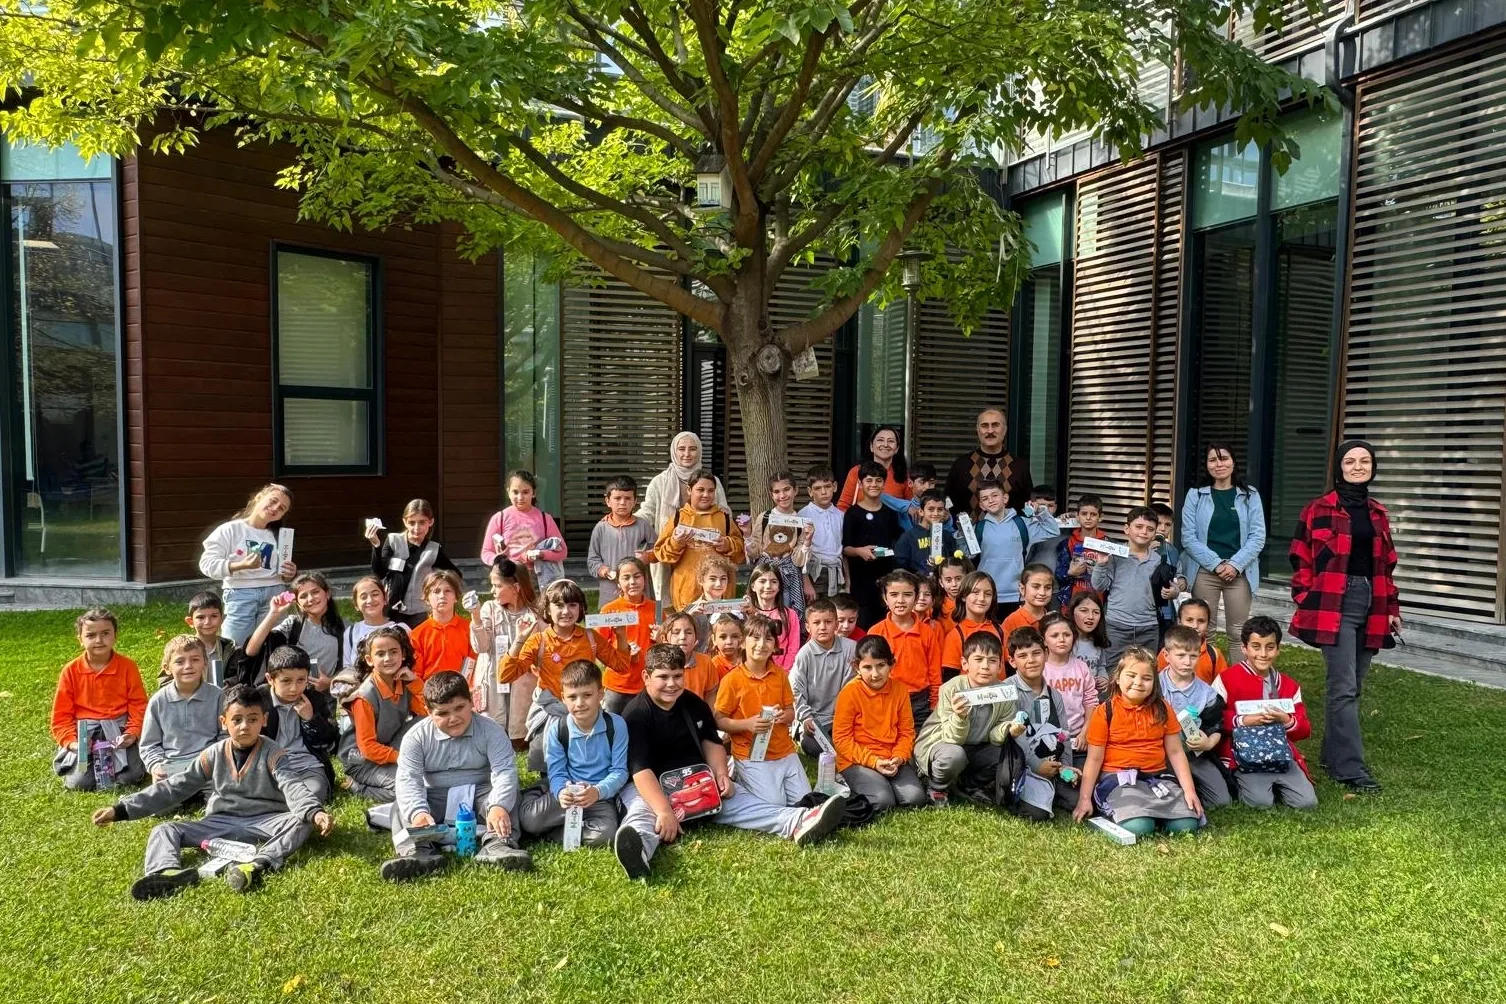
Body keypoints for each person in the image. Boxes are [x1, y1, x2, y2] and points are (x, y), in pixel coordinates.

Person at [612, 650, 848, 879]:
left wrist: (721, 774)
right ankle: (638, 849)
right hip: (650, 786)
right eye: (663, 677)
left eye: (677, 676)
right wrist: (664, 811)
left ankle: (799, 821)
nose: (671, 684)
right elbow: (640, 770)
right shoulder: (635, 714)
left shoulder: (693, 703)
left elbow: (711, 742)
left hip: (695, 781)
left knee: (740, 800)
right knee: (642, 814)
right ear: (646, 677)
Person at [91, 684, 333, 900]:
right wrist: (120, 809)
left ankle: (258, 864)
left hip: (266, 821)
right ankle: (165, 872)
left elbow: (292, 785)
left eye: (252, 719)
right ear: (223, 722)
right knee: (164, 829)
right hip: (219, 823)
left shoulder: (274, 752)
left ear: (264, 720)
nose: (244, 726)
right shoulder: (212, 754)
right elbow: (175, 786)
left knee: (301, 822)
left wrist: (314, 812)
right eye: (236, 720)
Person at [1288, 439, 1398, 795]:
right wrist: (1306, 596)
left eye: (1365, 461)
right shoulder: (1317, 509)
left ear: (1373, 467)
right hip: (1334, 602)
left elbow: (1387, 567)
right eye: (1350, 461)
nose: (1357, 467)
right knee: (1344, 686)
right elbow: (1301, 557)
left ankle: (1331, 755)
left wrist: (1392, 608)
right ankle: (1350, 769)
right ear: (1339, 467)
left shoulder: (1378, 513)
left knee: (1354, 686)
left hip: (1373, 600)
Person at [381, 671, 533, 880]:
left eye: (460, 708)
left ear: (471, 702)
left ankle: (498, 845)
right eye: (443, 713)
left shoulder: (492, 730)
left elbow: (504, 771)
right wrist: (418, 813)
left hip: (481, 795)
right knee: (401, 806)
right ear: (428, 711)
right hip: (436, 796)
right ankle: (418, 853)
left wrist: (498, 806)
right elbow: (408, 779)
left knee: (510, 795)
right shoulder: (415, 738)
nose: (453, 718)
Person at [500, 578, 630, 771]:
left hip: (585, 710)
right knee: (546, 762)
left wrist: (621, 635)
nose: (566, 611)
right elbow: (505, 675)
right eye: (559, 605)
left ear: (581, 608)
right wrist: (519, 640)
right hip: (551, 712)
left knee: (588, 763)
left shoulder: (590, 637)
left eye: (572, 605)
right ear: (547, 608)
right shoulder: (539, 641)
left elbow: (621, 666)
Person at [1072, 649, 1203, 836]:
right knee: (1139, 827)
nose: (1139, 682)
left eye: (1147, 678)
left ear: (1154, 682)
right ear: (1118, 678)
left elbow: (1175, 752)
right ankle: (1136, 815)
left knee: (1186, 825)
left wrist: (1190, 791)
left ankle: (1155, 813)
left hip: (1156, 779)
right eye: (1131, 675)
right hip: (1119, 781)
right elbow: (1094, 759)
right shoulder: (1105, 711)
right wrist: (1084, 798)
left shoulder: (1163, 708)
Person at [519, 659, 630, 848]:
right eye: (572, 697)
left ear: (601, 693)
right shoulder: (558, 729)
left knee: (606, 835)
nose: (580, 703)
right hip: (568, 793)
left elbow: (620, 771)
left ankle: (556, 832)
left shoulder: (616, 725)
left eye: (587, 695)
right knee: (529, 821)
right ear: (563, 697)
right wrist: (561, 791)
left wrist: (597, 791)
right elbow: (557, 771)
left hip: (599, 796)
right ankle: (538, 792)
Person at [1214, 617, 1318, 810]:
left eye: (1270, 647)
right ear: (1244, 648)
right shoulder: (1226, 679)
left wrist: (1286, 720)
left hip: (1280, 754)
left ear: (1278, 649)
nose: (1263, 654)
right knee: (1260, 802)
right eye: (1256, 647)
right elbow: (1213, 719)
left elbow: (1304, 729)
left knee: (1307, 803)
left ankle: (1278, 781)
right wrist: (1243, 720)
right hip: (1244, 755)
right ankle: (1250, 783)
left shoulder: (1289, 685)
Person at [1179, 443, 1267, 662]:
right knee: (1204, 631)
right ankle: (1205, 678)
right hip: (1205, 571)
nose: (1219, 464)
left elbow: (1258, 536)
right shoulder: (1195, 495)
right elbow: (1188, 537)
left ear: (1233, 462)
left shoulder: (1250, 495)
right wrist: (1216, 564)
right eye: (1213, 460)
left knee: (1238, 632)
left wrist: (1235, 564)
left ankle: (1237, 679)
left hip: (1240, 572)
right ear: (1207, 465)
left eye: (1224, 458)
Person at [914, 632, 1016, 806]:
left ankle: (968, 784)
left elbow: (995, 736)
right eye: (978, 659)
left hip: (976, 746)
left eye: (992, 661)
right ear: (964, 663)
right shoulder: (951, 688)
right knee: (954, 755)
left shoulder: (1004, 692)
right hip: (943, 743)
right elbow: (951, 738)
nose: (985, 666)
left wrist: (1008, 729)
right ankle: (936, 787)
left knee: (1005, 752)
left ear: (1000, 666)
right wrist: (960, 717)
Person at [714, 619, 809, 807]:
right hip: (750, 754)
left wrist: (785, 716)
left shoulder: (780, 675)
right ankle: (739, 774)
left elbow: (791, 711)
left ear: (775, 646)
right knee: (775, 804)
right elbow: (719, 719)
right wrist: (747, 724)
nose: (761, 644)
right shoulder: (732, 680)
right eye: (755, 638)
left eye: (768, 639)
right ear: (742, 643)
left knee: (805, 802)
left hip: (784, 751)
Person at [51, 608, 148, 790]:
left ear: (115, 635)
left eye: (105, 633)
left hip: (118, 730)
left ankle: (130, 759)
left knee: (131, 777)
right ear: (80, 639)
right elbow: (61, 716)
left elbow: (139, 705)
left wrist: (132, 733)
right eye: (90, 635)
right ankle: (79, 763)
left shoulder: (128, 667)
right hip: (85, 733)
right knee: (80, 784)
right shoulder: (70, 670)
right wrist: (73, 743)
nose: (98, 640)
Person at [831, 636, 926, 814]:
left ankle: (884, 781)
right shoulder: (849, 693)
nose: (875, 674)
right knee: (883, 801)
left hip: (891, 758)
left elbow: (906, 732)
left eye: (881, 665)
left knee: (915, 798)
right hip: (857, 760)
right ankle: (845, 781)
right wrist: (874, 762)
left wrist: (899, 757)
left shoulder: (900, 690)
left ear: (892, 664)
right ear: (856, 667)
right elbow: (841, 739)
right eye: (867, 667)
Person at [199, 484, 298, 646]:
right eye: (273, 501)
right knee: (236, 646)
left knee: (274, 646)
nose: (275, 508)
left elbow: (283, 574)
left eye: (282, 508)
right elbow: (206, 564)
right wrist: (240, 565)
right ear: (259, 497)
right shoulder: (230, 530)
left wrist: (289, 574)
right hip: (240, 594)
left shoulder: (281, 535)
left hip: (275, 594)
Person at [637, 432, 731, 602]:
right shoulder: (659, 482)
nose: (687, 454)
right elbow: (647, 513)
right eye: (681, 449)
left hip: (704, 551)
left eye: (692, 449)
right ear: (674, 451)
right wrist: (622, 519)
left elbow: (725, 516)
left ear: (699, 451)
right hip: (670, 548)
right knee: (670, 599)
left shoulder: (712, 481)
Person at [338, 626, 427, 802]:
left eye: (393, 652)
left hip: (388, 745)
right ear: (369, 660)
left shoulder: (403, 681)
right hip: (362, 761)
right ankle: (357, 787)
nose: (388, 658)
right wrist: (403, 758)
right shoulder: (364, 697)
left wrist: (416, 682)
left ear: (403, 654)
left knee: (425, 721)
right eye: (380, 654)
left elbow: (429, 712)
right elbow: (368, 747)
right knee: (407, 789)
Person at [1006, 626, 1080, 821]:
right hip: (1022, 765)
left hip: (1052, 763)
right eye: (1022, 656)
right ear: (1012, 661)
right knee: (1037, 814)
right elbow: (1014, 739)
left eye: (1036, 653)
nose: (1031, 660)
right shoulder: (1008, 690)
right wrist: (1037, 765)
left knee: (1077, 800)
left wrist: (1065, 767)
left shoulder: (1054, 694)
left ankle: (1052, 790)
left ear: (1046, 654)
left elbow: (1064, 734)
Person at [1089, 506, 1176, 668]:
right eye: (1139, 527)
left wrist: (1174, 591)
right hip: (1117, 625)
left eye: (1150, 529)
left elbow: (1172, 586)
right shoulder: (1115, 555)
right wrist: (1101, 563)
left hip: (1148, 626)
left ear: (1155, 534)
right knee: (1113, 669)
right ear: (1127, 529)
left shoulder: (1159, 560)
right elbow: (1098, 585)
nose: (1144, 532)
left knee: (1146, 669)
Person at [468, 558, 542, 743]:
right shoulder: (490, 609)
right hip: (493, 676)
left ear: (516, 587)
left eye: (498, 586)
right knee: (492, 728)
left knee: (520, 724)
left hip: (523, 679)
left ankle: (520, 736)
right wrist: (475, 617)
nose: (492, 591)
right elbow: (481, 647)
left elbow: (543, 649)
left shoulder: (534, 614)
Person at [1158, 625, 1232, 809]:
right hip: (1159, 753)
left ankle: (1191, 788)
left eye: (1193, 656)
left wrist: (1208, 743)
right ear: (1166, 655)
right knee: (1169, 795)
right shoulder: (1155, 687)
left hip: (1195, 754)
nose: (1187, 662)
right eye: (1181, 655)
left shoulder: (1207, 694)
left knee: (1221, 800)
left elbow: (1217, 725)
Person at [653, 468, 746, 612]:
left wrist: (728, 544)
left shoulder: (724, 518)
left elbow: (740, 552)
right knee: (689, 625)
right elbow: (661, 553)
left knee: (720, 624)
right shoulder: (678, 518)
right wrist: (676, 543)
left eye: (710, 491)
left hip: (720, 591)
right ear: (689, 490)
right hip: (686, 589)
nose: (706, 495)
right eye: (700, 490)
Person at [234, 571, 344, 689]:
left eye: (315, 592)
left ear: (327, 594)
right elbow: (251, 650)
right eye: (303, 596)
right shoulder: (293, 624)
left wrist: (329, 683)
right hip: (291, 693)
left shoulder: (344, 629)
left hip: (326, 696)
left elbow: (349, 667)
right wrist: (273, 614)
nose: (310, 599)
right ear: (298, 603)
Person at [257, 646, 339, 804]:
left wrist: (311, 718)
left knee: (314, 792)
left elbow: (329, 739)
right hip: (270, 768)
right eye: (286, 681)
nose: (294, 688)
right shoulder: (259, 700)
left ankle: (292, 803)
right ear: (270, 679)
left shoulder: (314, 698)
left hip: (307, 766)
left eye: (301, 680)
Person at [865, 570, 942, 730]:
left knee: (919, 741)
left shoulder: (927, 632)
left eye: (907, 595)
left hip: (920, 701)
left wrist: (935, 702)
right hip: (885, 697)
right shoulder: (876, 631)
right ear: (885, 598)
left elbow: (934, 671)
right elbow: (868, 672)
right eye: (894, 595)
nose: (900, 600)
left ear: (916, 597)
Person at [366, 499, 460, 628]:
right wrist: (376, 546)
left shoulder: (434, 549)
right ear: (405, 521)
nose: (416, 528)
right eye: (411, 522)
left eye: (422, 522)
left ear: (431, 522)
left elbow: (455, 575)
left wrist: (436, 586)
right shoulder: (393, 541)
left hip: (421, 611)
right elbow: (379, 573)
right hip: (393, 609)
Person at [976, 479, 1060, 621]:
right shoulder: (978, 528)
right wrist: (961, 532)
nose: (990, 500)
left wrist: (1040, 511)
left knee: (1016, 632)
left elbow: (1052, 531)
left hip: (1016, 593)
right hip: (986, 593)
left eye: (995, 495)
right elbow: (966, 553)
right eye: (985, 498)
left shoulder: (1023, 524)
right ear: (981, 505)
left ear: (1005, 498)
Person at [141, 636, 223, 781]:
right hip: (172, 767)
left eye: (195, 660)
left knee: (224, 793)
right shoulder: (158, 701)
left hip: (209, 764)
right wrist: (156, 766)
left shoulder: (217, 696)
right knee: (162, 795)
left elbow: (226, 735)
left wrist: (220, 759)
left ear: (205, 662)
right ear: (167, 668)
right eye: (179, 662)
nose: (188, 666)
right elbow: (149, 744)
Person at [789, 598, 856, 757]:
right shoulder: (804, 655)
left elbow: (852, 686)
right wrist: (806, 718)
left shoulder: (851, 648)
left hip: (845, 717)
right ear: (808, 627)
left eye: (828, 622)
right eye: (816, 623)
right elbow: (795, 690)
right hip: (816, 719)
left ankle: (845, 748)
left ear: (836, 624)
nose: (822, 627)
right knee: (813, 746)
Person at [480, 469, 568, 586]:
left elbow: (563, 552)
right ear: (508, 492)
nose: (520, 497)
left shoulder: (545, 519)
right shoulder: (499, 518)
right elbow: (486, 552)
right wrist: (498, 560)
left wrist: (541, 554)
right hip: (507, 577)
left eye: (525, 492)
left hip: (538, 579)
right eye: (515, 492)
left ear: (534, 493)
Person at [841, 461, 903, 627]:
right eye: (869, 480)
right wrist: (859, 551)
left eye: (878, 480)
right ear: (860, 484)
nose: (874, 484)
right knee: (864, 624)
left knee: (886, 623)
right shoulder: (852, 513)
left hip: (886, 578)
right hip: (861, 580)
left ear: (884, 484)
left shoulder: (890, 513)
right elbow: (845, 548)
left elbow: (896, 543)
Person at [746, 470, 815, 616]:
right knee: (762, 614)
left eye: (786, 489)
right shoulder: (764, 517)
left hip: (789, 578)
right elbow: (754, 552)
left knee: (785, 616)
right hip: (765, 576)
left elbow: (798, 560)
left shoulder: (800, 522)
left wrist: (807, 541)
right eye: (777, 492)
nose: (782, 495)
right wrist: (746, 535)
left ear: (795, 490)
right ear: (771, 495)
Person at [945, 408, 1033, 517]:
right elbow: (948, 504)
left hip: (1010, 528)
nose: (990, 431)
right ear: (978, 430)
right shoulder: (961, 465)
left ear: (1005, 430)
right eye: (984, 426)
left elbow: (1027, 506)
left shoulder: (1019, 466)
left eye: (995, 425)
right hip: (969, 528)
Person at [588, 475, 658, 606]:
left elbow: (658, 552)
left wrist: (647, 556)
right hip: (610, 592)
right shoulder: (600, 528)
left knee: (644, 618)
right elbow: (592, 560)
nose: (622, 503)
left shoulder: (643, 526)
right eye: (617, 498)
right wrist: (604, 570)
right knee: (610, 618)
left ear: (635, 501)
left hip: (640, 593)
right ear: (608, 501)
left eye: (627, 498)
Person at [600, 557, 657, 713]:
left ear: (645, 579)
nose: (632, 582)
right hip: (617, 684)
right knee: (612, 723)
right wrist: (623, 650)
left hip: (647, 683)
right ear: (618, 582)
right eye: (626, 578)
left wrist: (660, 638)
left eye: (637, 576)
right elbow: (600, 648)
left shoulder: (657, 609)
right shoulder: (609, 610)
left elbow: (665, 646)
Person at [1039, 612, 1099, 755]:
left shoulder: (1081, 667)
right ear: (1044, 640)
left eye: (1067, 634)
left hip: (1079, 737)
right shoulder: (1040, 669)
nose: (1062, 639)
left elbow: (1091, 702)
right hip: (1047, 739)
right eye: (1054, 636)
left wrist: (1085, 732)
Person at [410, 569, 476, 683]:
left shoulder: (470, 628)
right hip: (430, 691)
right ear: (427, 599)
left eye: (448, 591)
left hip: (462, 689)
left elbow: (474, 665)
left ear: (456, 597)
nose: (442, 596)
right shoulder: (417, 635)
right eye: (436, 591)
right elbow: (416, 674)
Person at [940, 571, 1001, 682]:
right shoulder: (955, 635)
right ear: (964, 596)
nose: (982, 598)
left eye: (988, 594)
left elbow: (1008, 668)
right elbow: (950, 679)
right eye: (975, 592)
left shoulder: (1000, 630)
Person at [745, 561, 802, 671]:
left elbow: (793, 648)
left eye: (773, 581)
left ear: (779, 587)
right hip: (751, 671)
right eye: (762, 581)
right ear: (753, 586)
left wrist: (783, 672)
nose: (768, 586)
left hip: (781, 672)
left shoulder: (790, 615)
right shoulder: (745, 613)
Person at [1155, 598, 1228, 684]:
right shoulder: (1168, 652)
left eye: (1201, 621)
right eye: (1189, 620)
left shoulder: (1214, 655)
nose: (1195, 625)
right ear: (1179, 622)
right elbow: (1157, 682)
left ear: (1208, 624)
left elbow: (1223, 684)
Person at [342, 577, 405, 675]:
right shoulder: (351, 632)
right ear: (356, 605)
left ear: (385, 599)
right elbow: (347, 667)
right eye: (363, 597)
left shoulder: (401, 629)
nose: (370, 600)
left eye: (375, 594)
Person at [837, 425, 909, 510]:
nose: (885, 445)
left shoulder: (903, 475)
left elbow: (912, 508)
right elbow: (843, 506)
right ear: (871, 447)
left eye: (890, 441)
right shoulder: (857, 471)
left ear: (897, 449)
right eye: (880, 440)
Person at [800, 464, 845, 597]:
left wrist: (847, 580)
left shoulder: (841, 516)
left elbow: (844, 550)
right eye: (817, 488)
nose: (824, 492)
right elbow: (799, 552)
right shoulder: (803, 516)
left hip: (837, 573)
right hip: (814, 573)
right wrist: (806, 581)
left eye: (827, 486)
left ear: (834, 486)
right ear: (810, 491)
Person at [1054, 493, 1106, 607]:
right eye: (1084, 514)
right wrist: (1070, 573)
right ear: (1077, 516)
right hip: (1071, 601)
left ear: (1100, 517)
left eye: (1093, 514)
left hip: (1098, 602)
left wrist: (1100, 570)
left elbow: (1114, 577)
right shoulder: (1067, 543)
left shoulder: (1107, 544)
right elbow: (1059, 574)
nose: (1088, 518)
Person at [893, 489, 960, 575]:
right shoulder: (908, 537)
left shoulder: (947, 535)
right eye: (931, 509)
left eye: (940, 509)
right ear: (921, 511)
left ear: (944, 512)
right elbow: (900, 568)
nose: (935, 513)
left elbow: (955, 562)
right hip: (918, 581)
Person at [174, 592, 234, 687]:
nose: (207, 622)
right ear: (190, 621)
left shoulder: (230, 648)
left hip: (223, 695)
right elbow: (165, 681)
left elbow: (238, 677)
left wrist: (226, 687)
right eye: (201, 617)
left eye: (214, 616)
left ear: (222, 619)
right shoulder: (179, 649)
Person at [662, 612, 721, 704]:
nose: (682, 637)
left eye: (688, 632)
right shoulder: (659, 665)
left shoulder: (705, 662)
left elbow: (711, 694)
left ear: (696, 638)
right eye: (676, 632)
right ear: (665, 639)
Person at [685, 554, 739, 652]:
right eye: (712, 579)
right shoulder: (691, 610)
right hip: (700, 658)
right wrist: (689, 617)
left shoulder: (735, 609)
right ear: (701, 580)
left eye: (723, 579)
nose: (718, 584)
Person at [1067, 591, 1110, 693]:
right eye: (1084, 610)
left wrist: (1104, 678)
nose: (1091, 616)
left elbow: (1100, 666)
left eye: (1096, 612)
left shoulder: (1097, 641)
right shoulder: (1065, 641)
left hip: (1091, 696)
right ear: (1072, 612)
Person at [1001, 563, 1055, 642]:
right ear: (1022, 589)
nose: (1042, 593)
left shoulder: (1054, 619)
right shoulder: (1011, 622)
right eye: (1036, 587)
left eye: (1047, 587)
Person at [709, 614, 746, 680]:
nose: (729, 642)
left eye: (735, 636)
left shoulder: (748, 661)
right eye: (723, 637)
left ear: (742, 637)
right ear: (714, 639)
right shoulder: (713, 666)